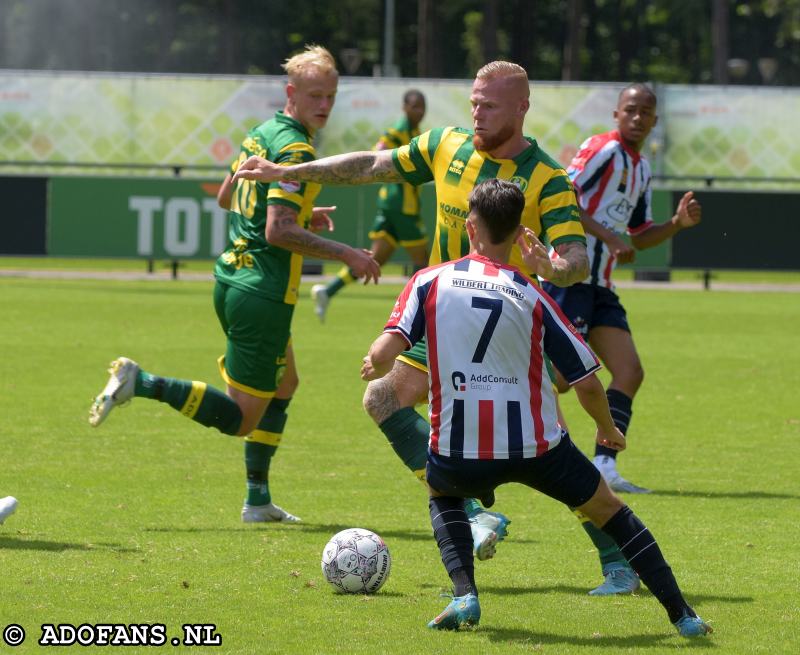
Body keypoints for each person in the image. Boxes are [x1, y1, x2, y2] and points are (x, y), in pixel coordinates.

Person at [233, 60, 642, 595]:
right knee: (382, 399)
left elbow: (575, 259)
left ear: (521, 108)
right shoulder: (447, 144)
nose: (477, 112)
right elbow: (372, 164)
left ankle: (617, 560)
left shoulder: (547, 177)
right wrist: (289, 173)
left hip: (505, 340)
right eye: (474, 100)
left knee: (548, 453)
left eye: (489, 105)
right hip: (441, 323)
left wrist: (549, 266)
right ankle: (474, 513)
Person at [361, 179, 712, 637]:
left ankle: (465, 594)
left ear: (469, 226)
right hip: (538, 447)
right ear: (517, 233)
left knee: (442, 494)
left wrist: (376, 358)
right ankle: (683, 615)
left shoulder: (429, 281)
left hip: (459, 451)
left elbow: (390, 344)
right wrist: (608, 430)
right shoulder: (532, 294)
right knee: (613, 511)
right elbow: (587, 383)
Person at [89, 45, 381, 524]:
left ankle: (258, 500)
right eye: (314, 95)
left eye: (330, 96)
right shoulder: (296, 149)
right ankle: (141, 383)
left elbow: (228, 196)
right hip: (262, 292)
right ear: (292, 93)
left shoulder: (261, 134)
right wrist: (348, 253)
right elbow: (278, 230)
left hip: (232, 277)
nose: (324, 105)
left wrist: (307, 211)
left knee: (285, 383)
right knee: (244, 417)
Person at [543, 83, 702, 493]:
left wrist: (677, 226)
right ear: (616, 114)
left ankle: (604, 466)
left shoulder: (642, 169)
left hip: (601, 286)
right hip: (570, 277)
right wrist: (609, 239)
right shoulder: (603, 149)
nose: (637, 117)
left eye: (645, 111)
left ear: (654, 120)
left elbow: (641, 233)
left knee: (629, 371)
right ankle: (529, 442)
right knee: (559, 378)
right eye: (630, 109)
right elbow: (564, 199)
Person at [311, 90, 429, 322]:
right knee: (423, 262)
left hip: (392, 205)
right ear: (405, 107)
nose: (419, 111)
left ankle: (327, 291)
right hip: (401, 207)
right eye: (415, 106)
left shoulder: (413, 131)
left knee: (374, 260)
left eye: (422, 106)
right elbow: (379, 150)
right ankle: (417, 314)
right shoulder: (399, 130)